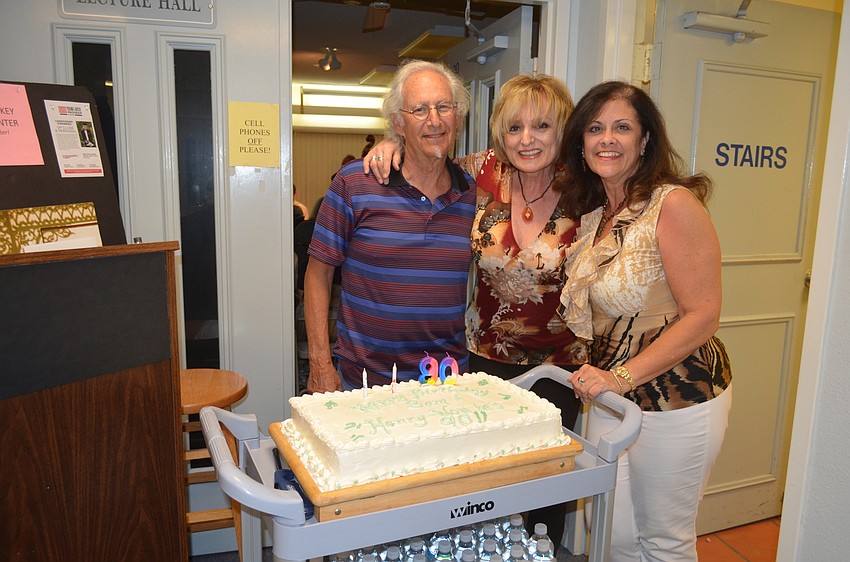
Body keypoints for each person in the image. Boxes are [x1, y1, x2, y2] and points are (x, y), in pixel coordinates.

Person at [365, 74, 586, 551]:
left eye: (542, 125)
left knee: (545, 503)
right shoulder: (482, 173)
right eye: (514, 127)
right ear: (498, 134)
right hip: (481, 366)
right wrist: (390, 141)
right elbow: (425, 149)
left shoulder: (586, 190)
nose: (526, 139)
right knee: (479, 499)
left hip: (559, 370)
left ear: (563, 130)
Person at [557, 80, 733, 561]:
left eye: (621, 127)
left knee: (664, 540)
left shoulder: (673, 205)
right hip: (612, 397)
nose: (606, 139)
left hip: (678, 395)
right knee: (607, 526)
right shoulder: (596, 217)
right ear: (581, 142)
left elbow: (704, 316)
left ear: (645, 140)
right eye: (595, 129)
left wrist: (619, 377)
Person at [305, 59, 475, 393]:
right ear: (398, 122)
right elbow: (317, 274)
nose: (435, 120)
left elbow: (529, 154)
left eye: (444, 107)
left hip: (447, 382)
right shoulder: (355, 182)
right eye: (420, 110)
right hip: (366, 382)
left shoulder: (473, 193)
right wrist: (320, 365)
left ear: (458, 117)